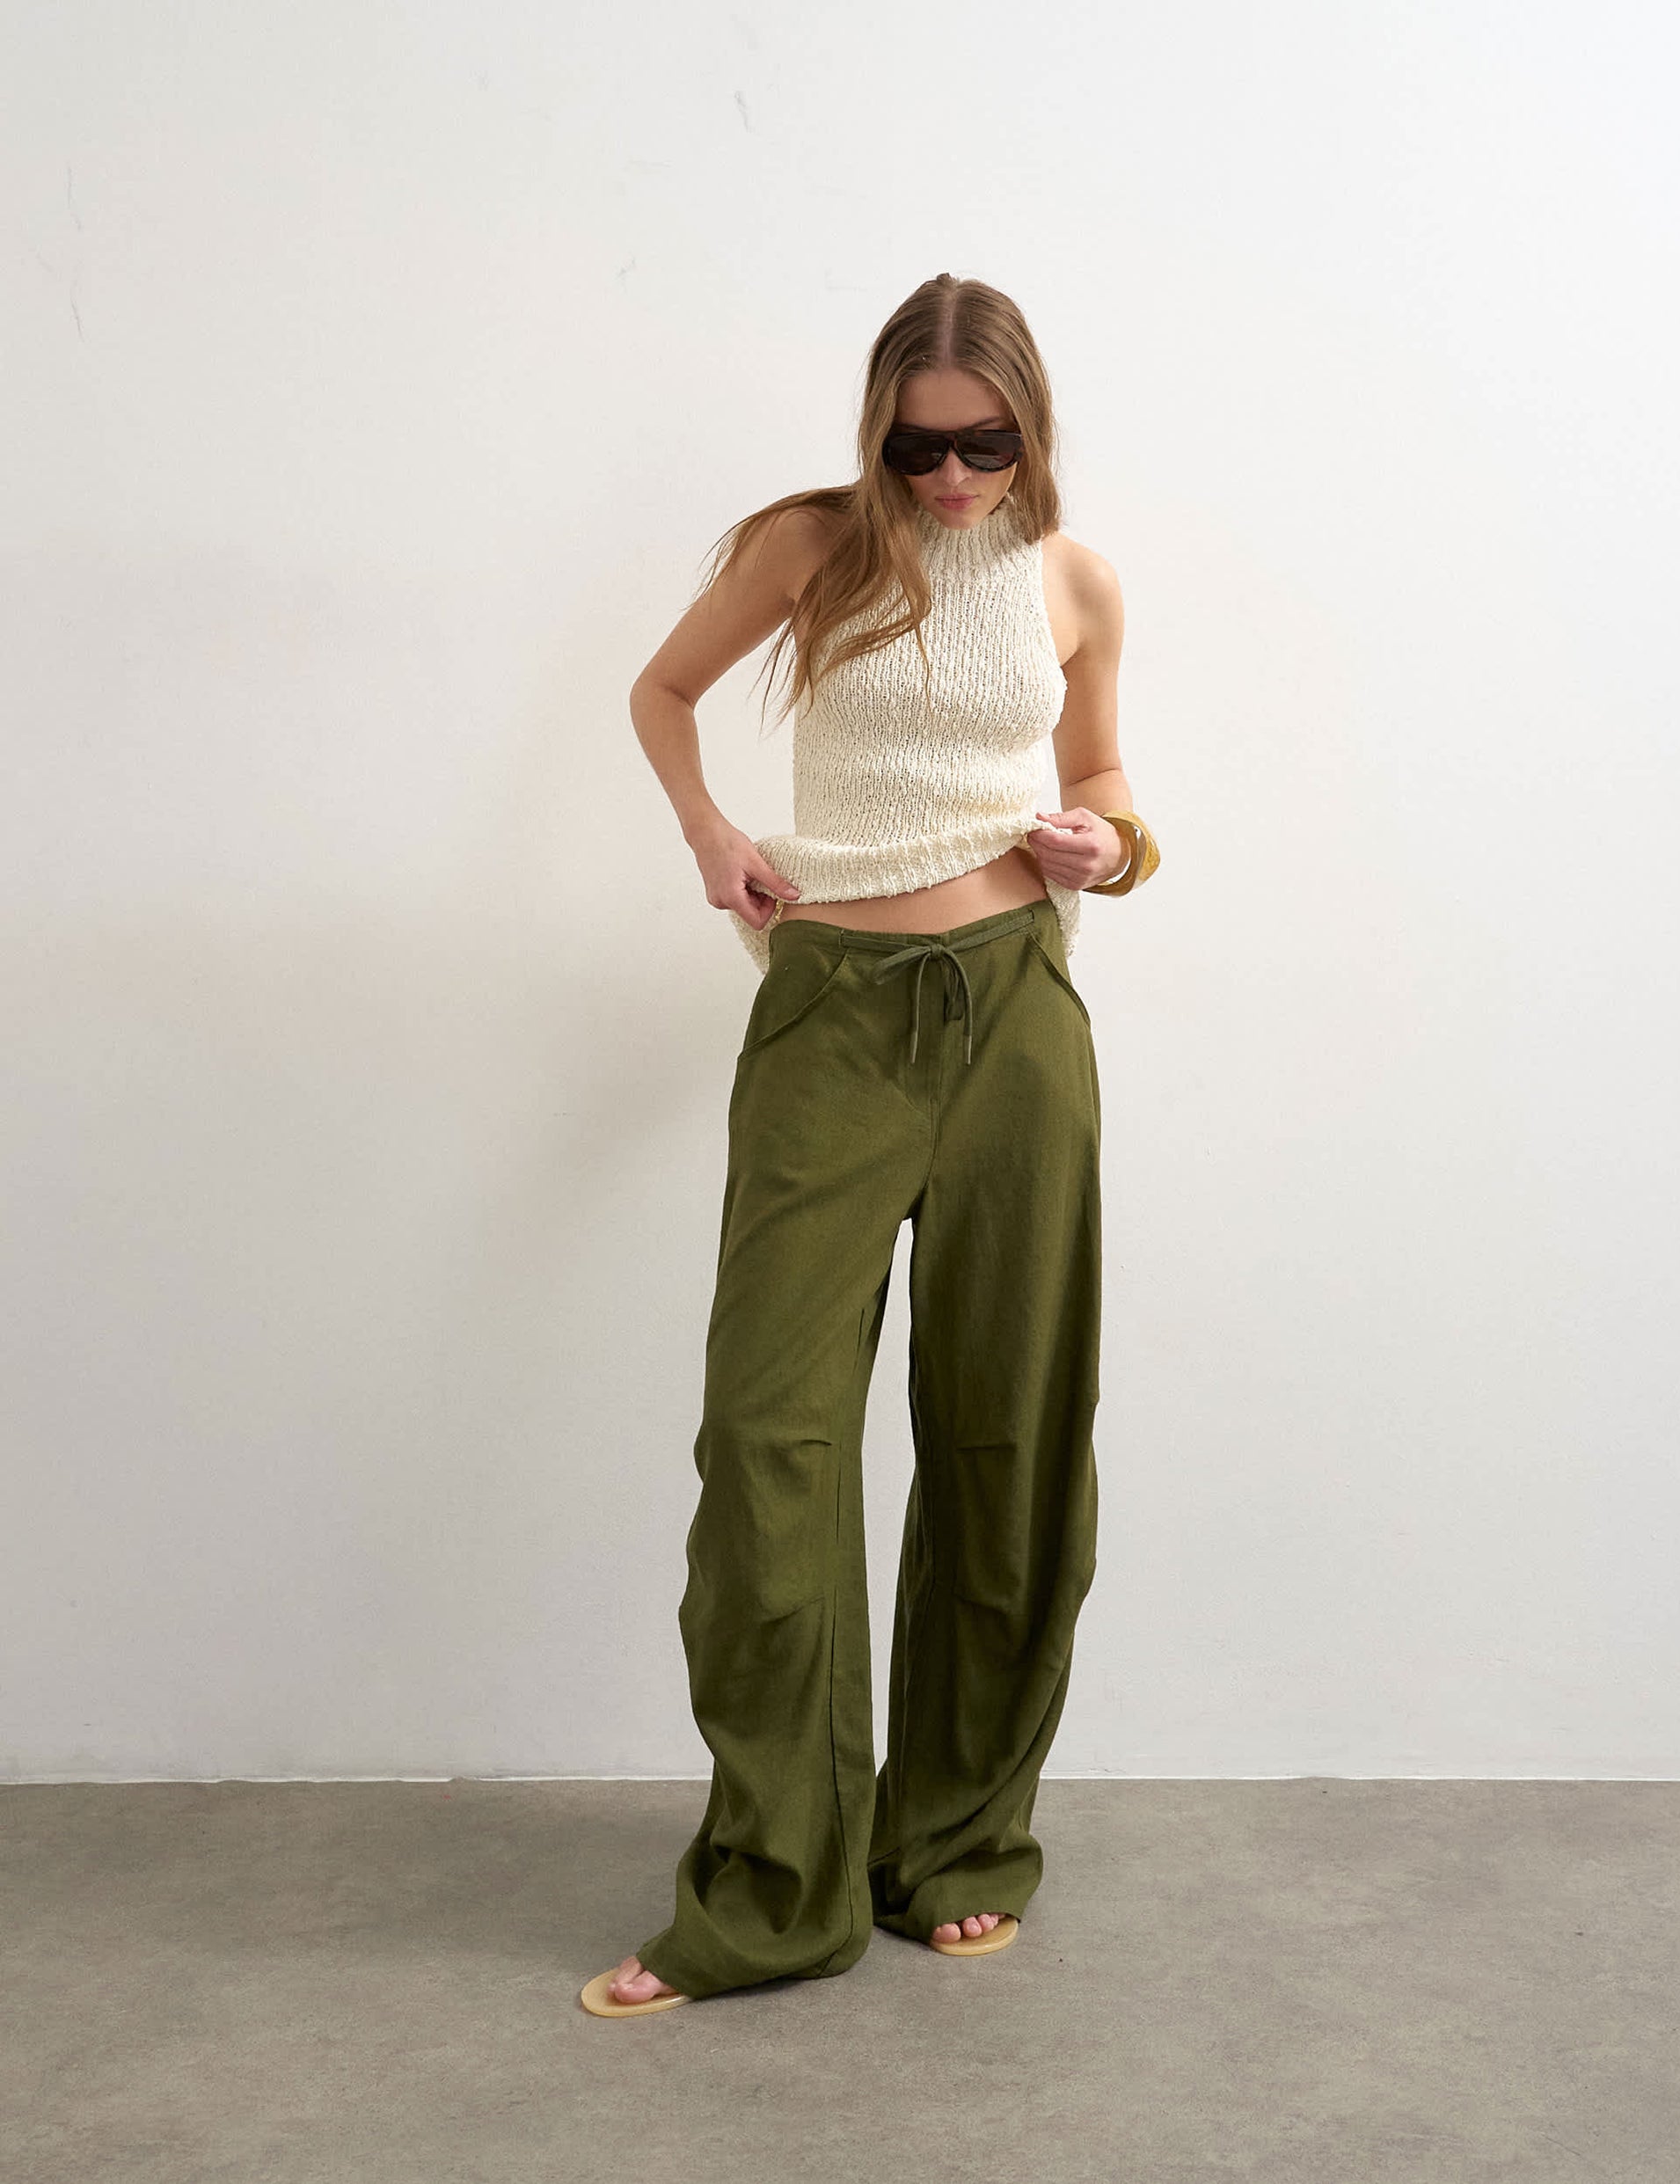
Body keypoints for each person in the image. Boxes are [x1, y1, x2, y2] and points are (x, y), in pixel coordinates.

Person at [581, 273, 1158, 2018]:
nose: (954, 479)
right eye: (920, 450)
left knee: (1007, 1432)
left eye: (986, 447)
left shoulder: (1072, 581)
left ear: (1030, 432)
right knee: (768, 1439)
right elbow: (661, 692)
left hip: (1016, 1017)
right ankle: (776, 1882)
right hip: (830, 1016)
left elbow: (1109, 783)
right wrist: (709, 836)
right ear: (875, 436)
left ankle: (956, 1843)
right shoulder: (813, 548)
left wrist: (1109, 847)